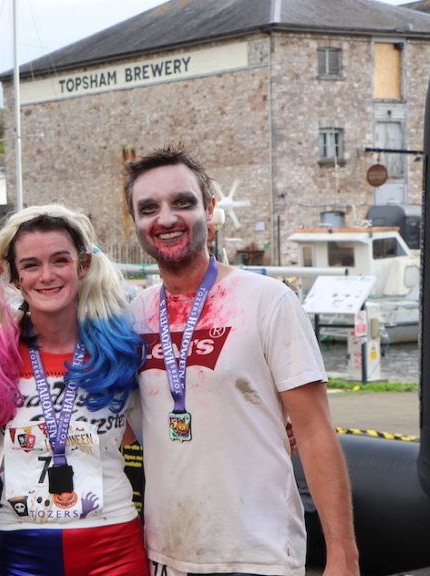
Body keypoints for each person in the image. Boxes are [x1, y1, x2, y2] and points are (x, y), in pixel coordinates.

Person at [124, 144, 359, 575]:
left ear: (210, 210)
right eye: (149, 208)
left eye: (183, 202)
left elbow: (314, 432)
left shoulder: (269, 301)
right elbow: (121, 428)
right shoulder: (133, 315)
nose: (167, 218)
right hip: (166, 553)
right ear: (136, 223)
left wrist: (343, 556)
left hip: (259, 554)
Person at [0, 204, 149, 575]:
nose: (46, 276)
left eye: (60, 260)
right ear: (14, 277)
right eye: (30, 265)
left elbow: (161, 444)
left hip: (114, 544)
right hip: (26, 546)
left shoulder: (121, 349)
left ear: (83, 265)